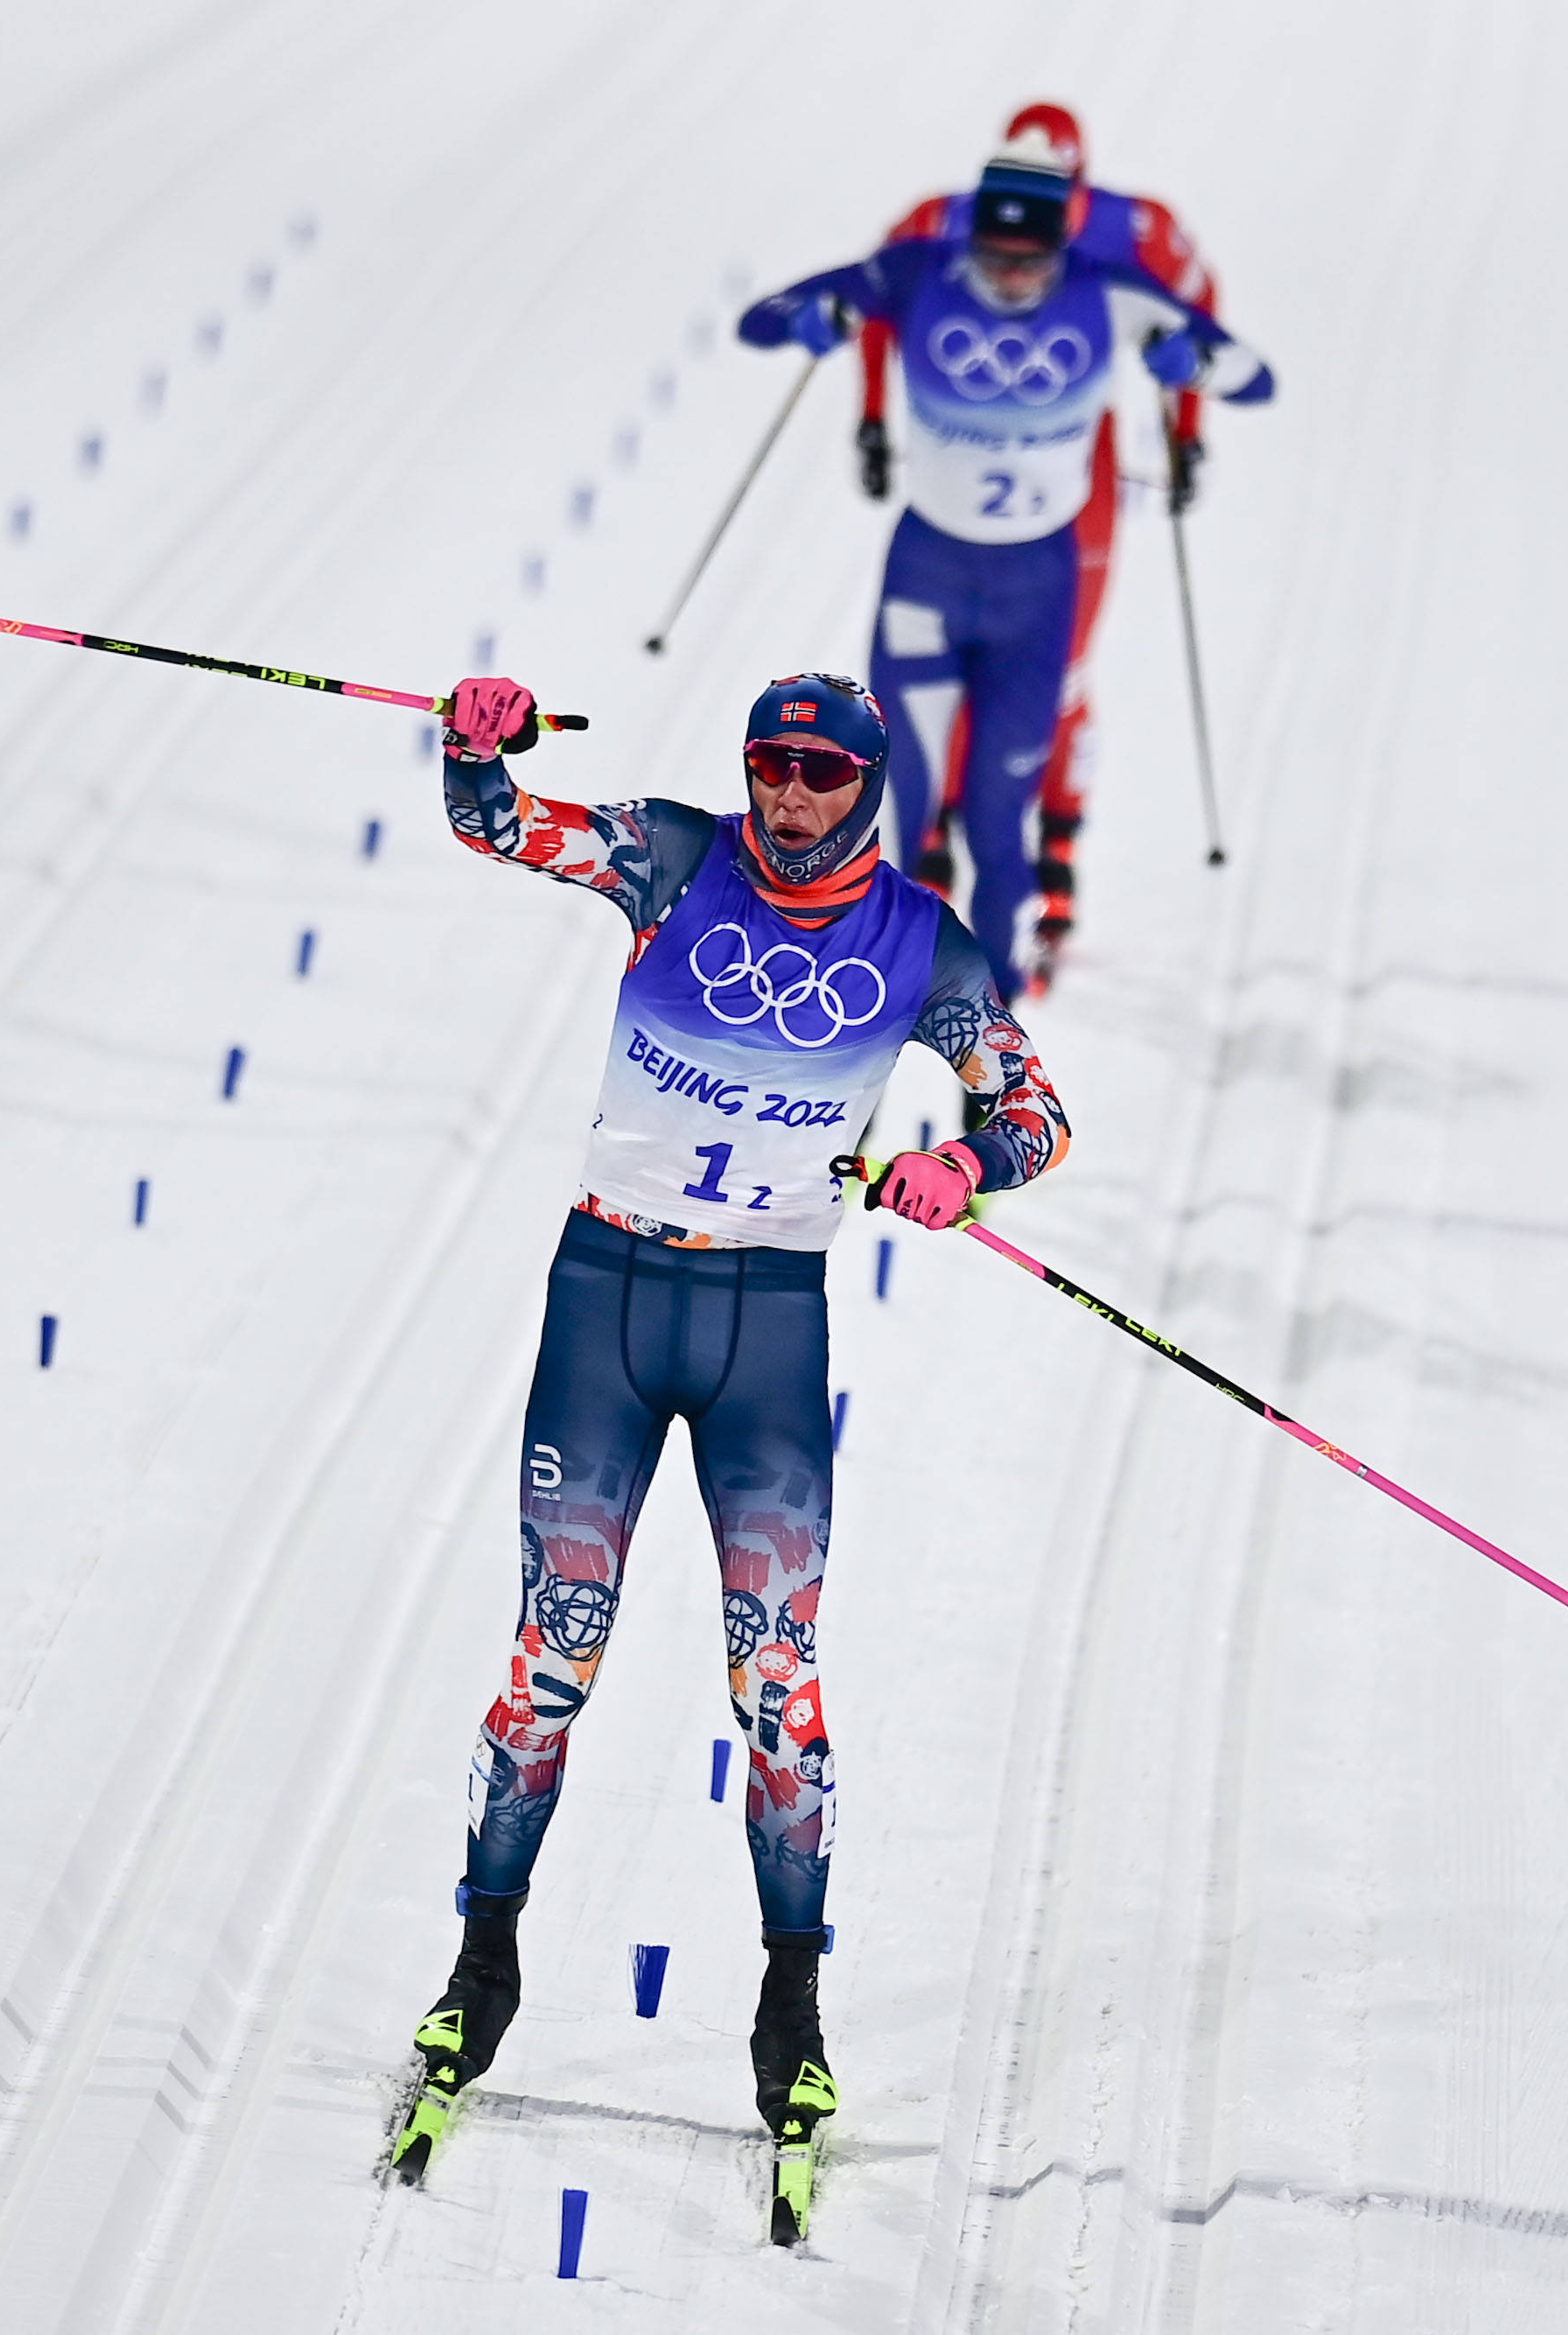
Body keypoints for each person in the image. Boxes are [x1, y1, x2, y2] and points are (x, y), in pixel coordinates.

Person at [392, 670, 1070, 2239]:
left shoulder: (922, 944)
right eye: (768, 765)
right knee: (552, 1651)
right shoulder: (670, 856)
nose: (785, 796)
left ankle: (790, 2007)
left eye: (819, 773)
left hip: (767, 1321)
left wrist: (958, 1164)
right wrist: (474, 735)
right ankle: (478, 1962)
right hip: (607, 1299)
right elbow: (494, 824)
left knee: (775, 1678)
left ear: (867, 785)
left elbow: (1030, 1108)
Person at [738, 123, 1273, 1009]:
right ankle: (873, 1014)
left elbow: (1250, 373)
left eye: (1034, 262)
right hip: (927, 576)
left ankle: (991, 1034)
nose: (1014, 280)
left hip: (1037, 584)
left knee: (996, 817)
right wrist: (819, 326)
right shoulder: (920, 266)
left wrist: (1195, 382)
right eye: (996, 259)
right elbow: (762, 322)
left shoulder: (1109, 289)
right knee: (905, 810)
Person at [856, 103, 1233, 977]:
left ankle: (1052, 844)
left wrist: (1188, 424)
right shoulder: (942, 222)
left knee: (1059, 667)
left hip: (1073, 478)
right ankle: (939, 833)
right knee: (940, 670)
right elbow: (875, 300)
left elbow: (1195, 307)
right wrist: (871, 419)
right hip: (974, 474)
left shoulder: (1131, 225)